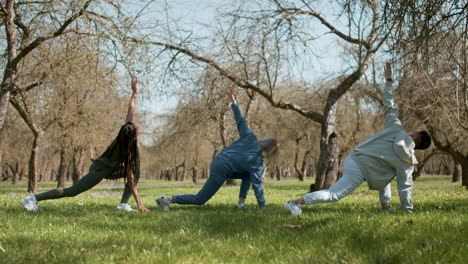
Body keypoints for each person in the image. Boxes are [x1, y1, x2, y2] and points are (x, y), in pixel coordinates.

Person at [284, 62, 431, 216]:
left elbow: (389, 104)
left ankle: (385, 206)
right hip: (360, 171)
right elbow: (405, 187)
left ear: (414, 134)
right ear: (416, 147)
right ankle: (293, 203)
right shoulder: (407, 162)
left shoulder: (395, 128)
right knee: (334, 194)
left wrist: (388, 81)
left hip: (355, 158)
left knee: (387, 173)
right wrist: (408, 211)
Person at [20, 77, 150, 212]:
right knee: (72, 191)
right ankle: (32, 199)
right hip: (99, 170)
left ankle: (123, 205)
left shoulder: (124, 134)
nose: (138, 129)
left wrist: (134, 93)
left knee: (137, 171)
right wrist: (139, 203)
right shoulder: (127, 150)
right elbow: (130, 178)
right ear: (132, 137)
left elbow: (130, 109)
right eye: (136, 130)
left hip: (110, 168)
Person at [156, 85, 278, 211]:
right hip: (222, 169)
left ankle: (241, 203)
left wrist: (233, 101)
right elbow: (258, 186)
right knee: (200, 199)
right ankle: (166, 200)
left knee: (248, 175)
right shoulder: (257, 162)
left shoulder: (249, 136)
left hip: (219, 159)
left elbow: (240, 120)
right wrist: (263, 207)